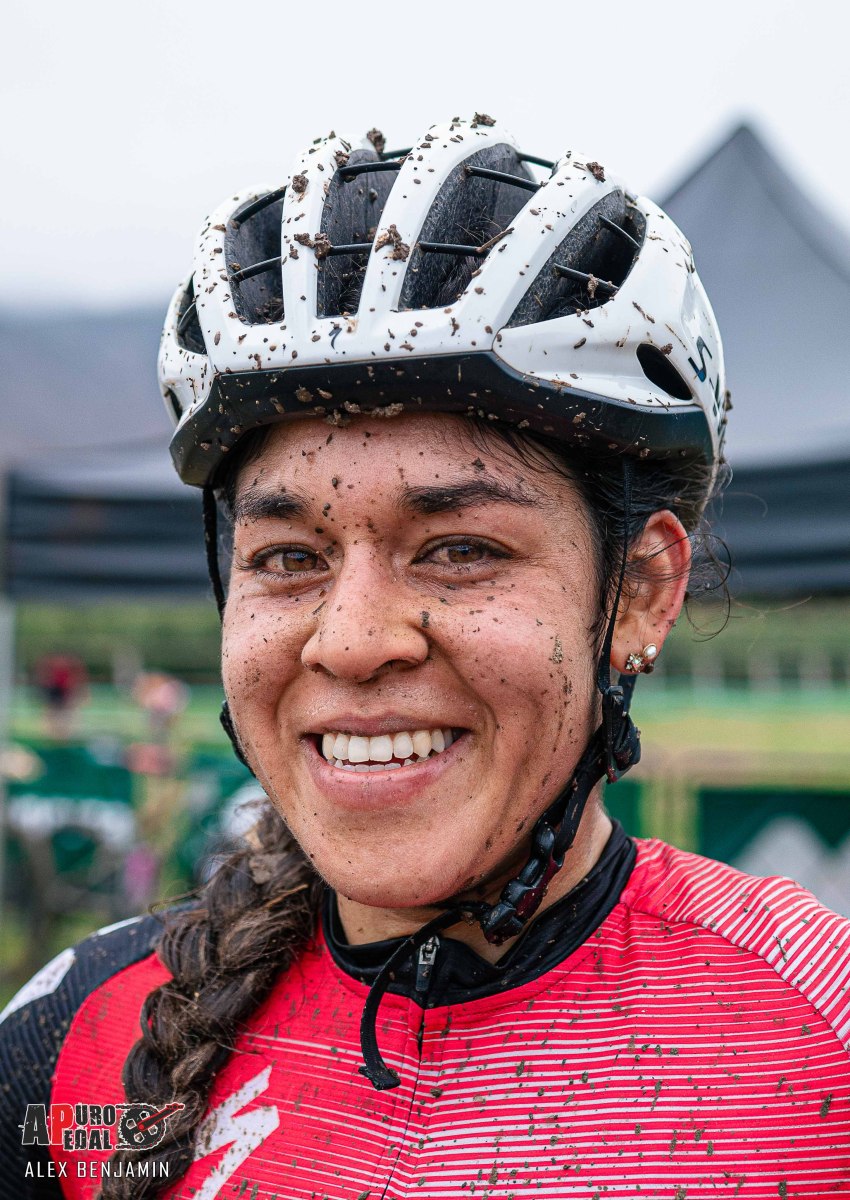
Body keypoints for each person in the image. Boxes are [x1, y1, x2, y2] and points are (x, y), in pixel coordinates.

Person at [2, 116, 848, 1200]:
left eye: (459, 550)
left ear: (639, 592)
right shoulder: (73, 1037)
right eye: (288, 557)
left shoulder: (818, 1032)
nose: (353, 642)